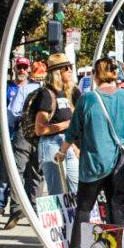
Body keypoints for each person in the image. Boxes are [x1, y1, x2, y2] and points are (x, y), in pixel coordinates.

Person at [59, 57, 124, 248]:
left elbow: (73, 130)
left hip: (93, 163)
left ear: (96, 75)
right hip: (120, 164)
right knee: (116, 209)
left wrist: (62, 151)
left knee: (84, 209)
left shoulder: (88, 99)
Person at [0, 57, 42, 224]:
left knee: (16, 171)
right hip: (40, 135)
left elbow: (12, 113)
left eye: (24, 67)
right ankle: (31, 209)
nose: (21, 70)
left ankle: (17, 207)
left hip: (22, 133)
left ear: (29, 71)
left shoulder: (25, 90)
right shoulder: (8, 87)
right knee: (34, 173)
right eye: (19, 67)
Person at [34, 53, 81, 196]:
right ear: (58, 72)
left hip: (69, 144)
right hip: (51, 144)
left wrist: (76, 145)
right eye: (67, 68)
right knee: (57, 193)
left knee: (77, 188)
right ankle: (60, 218)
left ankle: (76, 218)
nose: (71, 71)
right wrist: (66, 124)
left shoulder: (71, 92)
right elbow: (40, 129)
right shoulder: (46, 94)